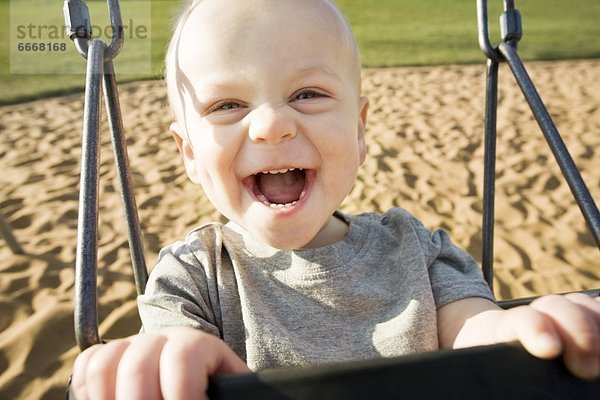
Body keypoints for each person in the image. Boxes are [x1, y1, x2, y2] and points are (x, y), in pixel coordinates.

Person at [71, 0, 600, 398]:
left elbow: (475, 326)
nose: (272, 125)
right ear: (187, 153)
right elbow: (170, 344)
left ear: (360, 129)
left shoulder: (414, 247)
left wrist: (521, 330)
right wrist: (173, 356)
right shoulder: (194, 276)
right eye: (228, 104)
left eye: (308, 94)